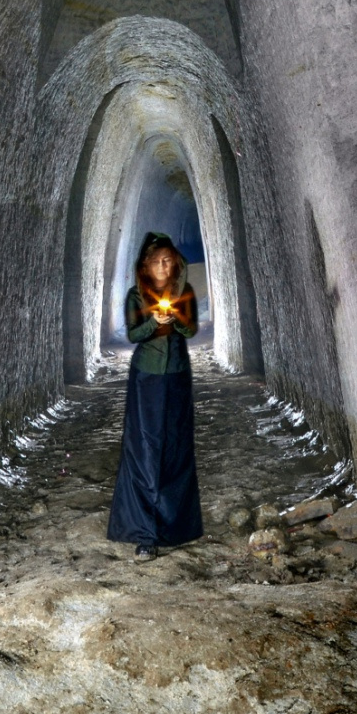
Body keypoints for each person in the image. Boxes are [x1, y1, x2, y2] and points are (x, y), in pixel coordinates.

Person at [107, 232, 203, 560]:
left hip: (177, 374)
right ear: (146, 265)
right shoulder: (136, 296)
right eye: (157, 261)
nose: (164, 266)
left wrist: (175, 317)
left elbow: (191, 330)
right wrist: (153, 322)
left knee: (175, 445)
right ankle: (145, 531)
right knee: (145, 447)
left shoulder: (184, 293)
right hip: (146, 377)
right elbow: (134, 334)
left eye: (168, 260)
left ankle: (174, 527)